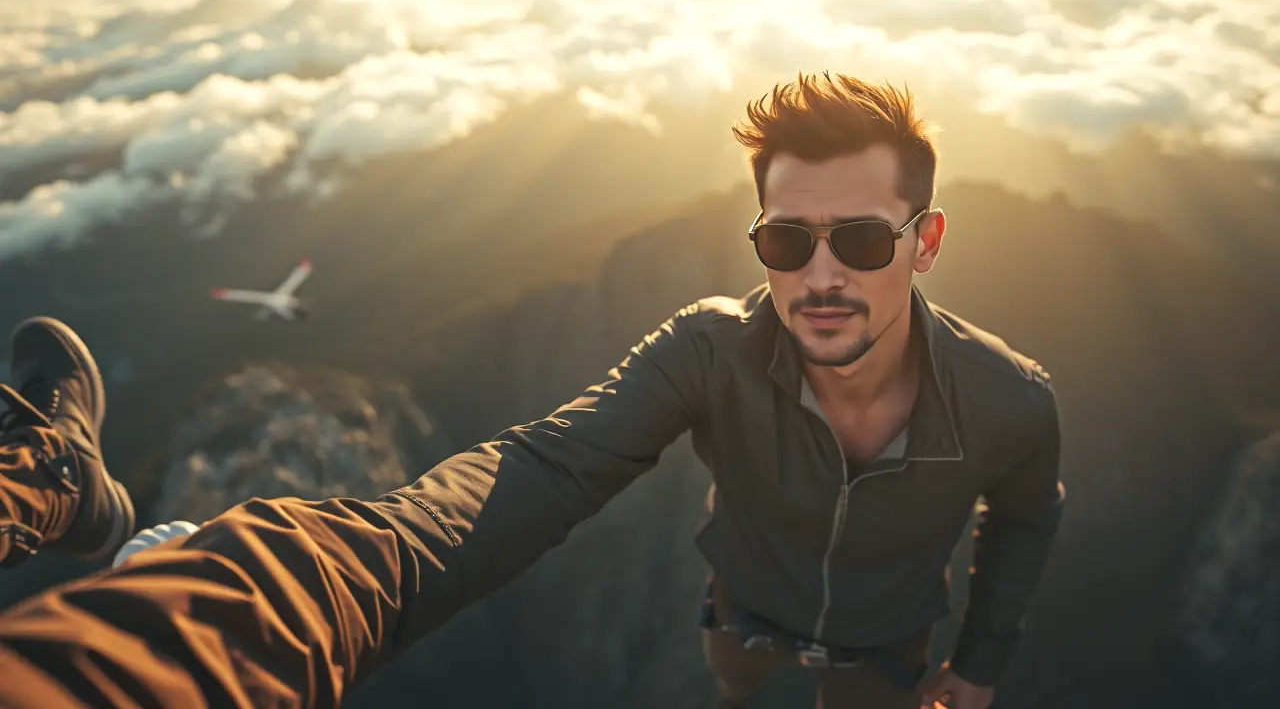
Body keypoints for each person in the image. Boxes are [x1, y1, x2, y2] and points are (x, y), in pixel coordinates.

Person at [0, 72, 1063, 709]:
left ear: (923, 243)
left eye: (862, 239)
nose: (819, 275)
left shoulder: (1010, 400)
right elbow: (549, 463)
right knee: (731, 685)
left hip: (888, 647)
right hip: (740, 611)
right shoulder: (708, 348)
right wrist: (369, 557)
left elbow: (1022, 520)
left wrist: (979, 664)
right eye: (787, 239)